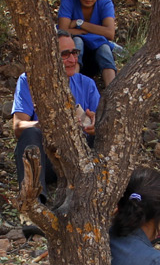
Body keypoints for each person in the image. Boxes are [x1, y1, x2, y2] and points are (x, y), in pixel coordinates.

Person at [10, 32, 100, 200]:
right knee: (30, 133)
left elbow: (103, 125)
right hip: (48, 158)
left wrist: (96, 124)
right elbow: (18, 127)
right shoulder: (29, 81)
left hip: (80, 159)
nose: (72, 60)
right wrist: (51, 124)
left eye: (74, 53)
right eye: (65, 55)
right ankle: (35, 201)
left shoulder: (87, 84)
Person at [57, 0, 118, 88]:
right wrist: (95, 32)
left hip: (96, 60)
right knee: (77, 42)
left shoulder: (105, 3)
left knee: (104, 49)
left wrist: (80, 24)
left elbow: (110, 33)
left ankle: (113, 92)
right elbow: (63, 31)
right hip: (71, 61)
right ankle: (71, 89)